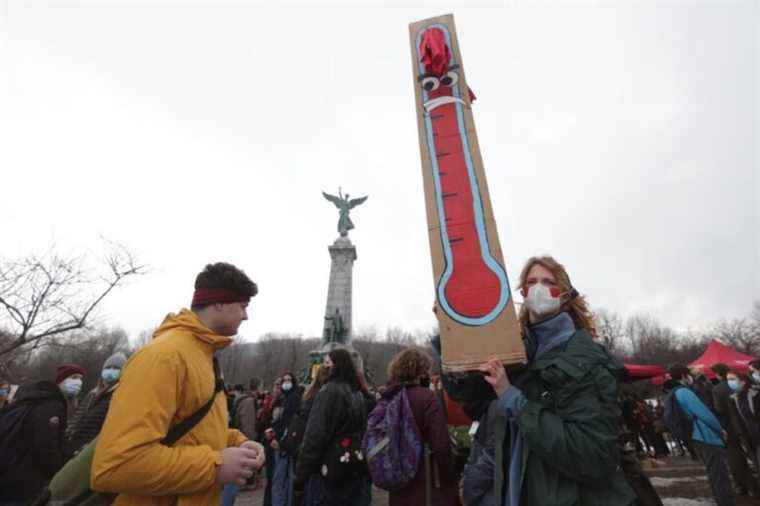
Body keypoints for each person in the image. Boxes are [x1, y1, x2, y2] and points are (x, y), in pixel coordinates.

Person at [91, 262, 265, 505]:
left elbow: (190, 431)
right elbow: (117, 465)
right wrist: (215, 466)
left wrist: (238, 442)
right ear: (219, 304)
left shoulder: (203, 356)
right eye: (243, 306)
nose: (246, 315)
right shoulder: (165, 356)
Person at [469, 255, 637, 505]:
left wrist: (514, 400)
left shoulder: (585, 358)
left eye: (549, 282)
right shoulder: (519, 354)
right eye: (531, 282)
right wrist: (454, 332)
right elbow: (470, 400)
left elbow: (593, 453)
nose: (539, 289)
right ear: (523, 293)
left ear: (565, 295)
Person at [293, 348, 370, 506]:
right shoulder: (357, 393)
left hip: (331, 470)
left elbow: (314, 437)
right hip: (355, 466)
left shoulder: (329, 391)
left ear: (337, 365)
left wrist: (300, 476)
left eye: (327, 363)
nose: (324, 367)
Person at [0, 363, 84, 504]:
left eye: (81, 378)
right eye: (74, 377)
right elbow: (45, 445)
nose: (79, 382)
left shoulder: (40, 397)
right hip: (24, 475)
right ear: (61, 380)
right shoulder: (52, 405)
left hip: (13, 468)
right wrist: (56, 470)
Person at [384, 347, 457, 506]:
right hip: (424, 478)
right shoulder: (426, 397)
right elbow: (441, 444)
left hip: (396, 476)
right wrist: (450, 480)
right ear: (421, 371)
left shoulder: (389, 396)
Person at [668, 363, 736, 506]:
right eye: (689, 375)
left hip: (696, 437)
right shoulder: (684, 392)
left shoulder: (673, 393)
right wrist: (720, 429)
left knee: (714, 474)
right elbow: (704, 414)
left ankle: (722, 500)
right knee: (720, 475)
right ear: (683, 376)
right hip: (706, 436)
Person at [64, 352, 126, 458]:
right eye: (108, 367)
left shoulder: (120, 395)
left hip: (89, 452)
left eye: (116, 368)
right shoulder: (92, 394)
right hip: (72, 446)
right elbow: (76, 418)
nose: (110, 371)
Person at [711, 363, 755, 496]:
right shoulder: (743, 382)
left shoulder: (717, 389)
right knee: (753, 454)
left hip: (731, 428)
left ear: (718, 374)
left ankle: (745, 485)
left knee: (736, 458)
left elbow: (719, 409)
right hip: (748, 425)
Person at [271, 372, 303, 506]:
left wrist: (280, 441)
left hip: (285, 444)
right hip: (279, 440)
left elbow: (290, 423)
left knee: (281, 481)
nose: (286, 382)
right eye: (284, 380)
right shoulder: (283, 397)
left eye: (289, 380)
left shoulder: (294, 398)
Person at [726, 370, 760, 490]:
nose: (730, 382)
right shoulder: (734, 398)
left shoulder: (755, 394)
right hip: (750, 438)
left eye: (732, 379)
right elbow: (739, 419)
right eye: (728, 380)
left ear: (743, 381)